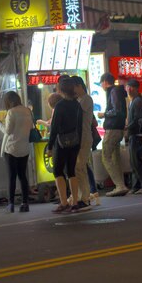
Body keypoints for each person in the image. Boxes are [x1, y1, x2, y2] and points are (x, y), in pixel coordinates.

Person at [46, 79, 84, 213]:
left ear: (61, 90)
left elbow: (54, 128)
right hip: (75, 141)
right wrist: (78, 141)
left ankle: (63, 202)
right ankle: (74, 202)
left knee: (58, 171)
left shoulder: (60, 106)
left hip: (61, 142)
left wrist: (50, 147)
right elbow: (80, 125)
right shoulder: (77, 105)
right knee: (71, 171)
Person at [0, 91, 33, 212]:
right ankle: (25, 203)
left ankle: (11, 204)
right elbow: (31, 127)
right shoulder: (27, 110)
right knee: (23, 176)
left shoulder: (11, 112)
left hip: (11, 148)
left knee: (12, 177)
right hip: (24, 148)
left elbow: (7, 131)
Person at [96, 73, 128, 197]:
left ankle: (119, 185)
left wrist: (103, 114)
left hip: (113, 128)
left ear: (104, 81)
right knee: (115, 157)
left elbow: (116, 110)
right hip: (119, 128)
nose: (102, 86)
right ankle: (121, 185)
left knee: (106, 156)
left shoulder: (113, 91)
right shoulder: (118, 91)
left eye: (101, 84)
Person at [69, 77, 97, 208]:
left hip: (85, 138)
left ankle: (85, 197)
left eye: (74, 87)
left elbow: (77, 114)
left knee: (80, 167)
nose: (72, 90)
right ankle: (82, 196)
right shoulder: (80, 100)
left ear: (79, 86)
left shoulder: (86, 99)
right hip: (80, 138)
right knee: (79, 168)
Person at [124, 79, 142, 195]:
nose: (129, 90)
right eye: (127, 87)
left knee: (137, 161)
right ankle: (137, 185)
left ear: (135, 89)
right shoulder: (133, 101)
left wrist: (127, 127)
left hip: (137, 134)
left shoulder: (138, 101)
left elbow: (137, 120)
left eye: (131, 87)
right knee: (134, 162)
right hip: (133, 134)